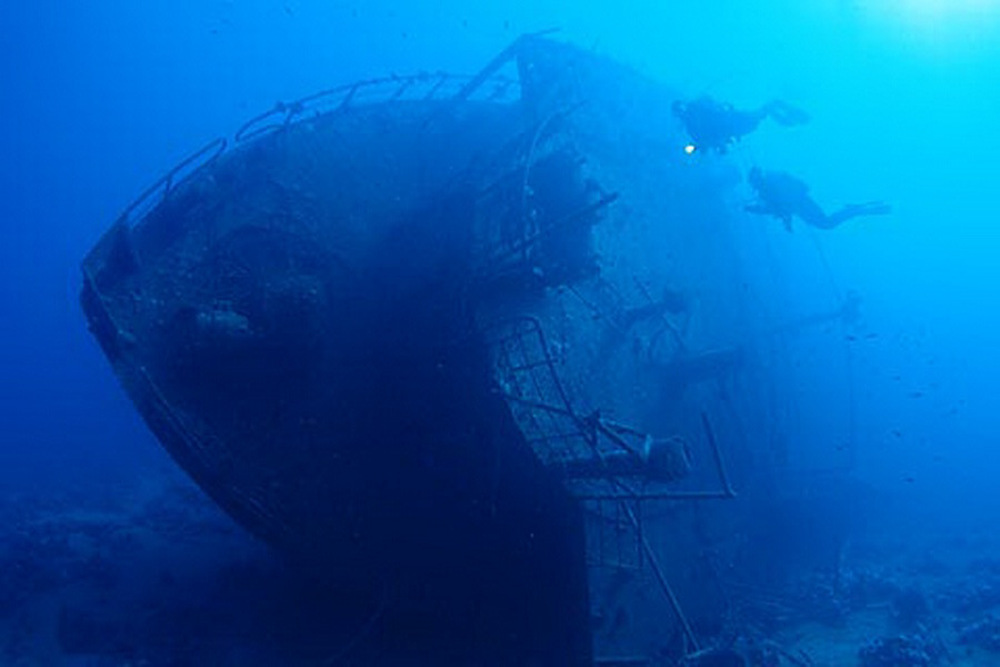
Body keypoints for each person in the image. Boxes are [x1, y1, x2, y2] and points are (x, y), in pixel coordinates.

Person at [745, 167, 892, 231]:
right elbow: (781, 207)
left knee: (826, 223)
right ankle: (857, 209)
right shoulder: (770, 184)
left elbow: (777, 208)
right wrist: (787, 221)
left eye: (754, 185)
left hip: (801, 205)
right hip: (802, 202)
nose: (755, 188)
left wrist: (753, 209)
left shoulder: (767, 189)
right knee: (825, 222)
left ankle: (854, 210)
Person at [672, 96, 810, 154]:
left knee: (765, 110)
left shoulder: (695, 112)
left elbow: (704, 142)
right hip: (734, 123)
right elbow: (704, 142)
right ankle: (791, 120)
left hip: (735, 123)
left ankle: (791, 121)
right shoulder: (693, 120)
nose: (683, 110)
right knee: (766, 109)